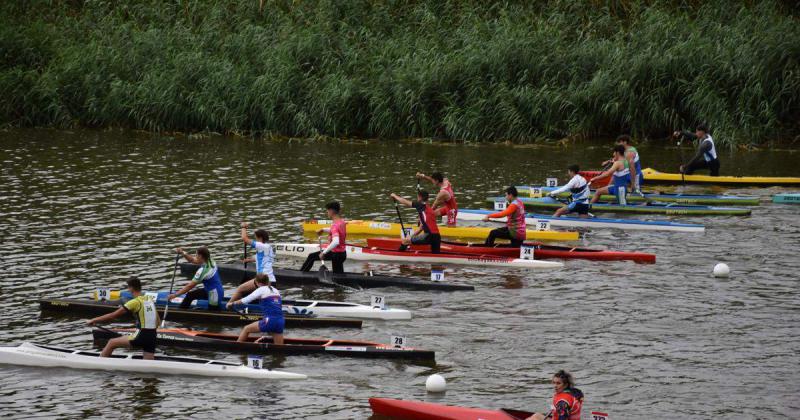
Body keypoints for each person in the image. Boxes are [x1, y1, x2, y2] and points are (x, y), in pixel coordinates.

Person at [87, 277, 159, 359]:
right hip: (153, 336)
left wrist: (93, 320)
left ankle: (98, 363)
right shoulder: (149, 299)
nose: (128, 289)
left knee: (112, 342)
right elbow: (157, 320)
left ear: (131, 288)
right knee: (148, 364)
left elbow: (112, 315)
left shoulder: (134, 302)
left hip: (141, 336)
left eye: (128, 287)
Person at [226, 274, 284, 344]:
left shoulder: (261, 289)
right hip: (280, 321)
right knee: (279, 349)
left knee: (246, 329)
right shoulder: (275, 290)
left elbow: (245, 300)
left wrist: (232, 303)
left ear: (258, 283)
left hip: (270, 320)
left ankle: (237, 348)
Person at [229, 222, 276, 304]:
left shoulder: (261, 245)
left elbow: (244, 238)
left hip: (263, 280)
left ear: (260, 238)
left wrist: (243, 227)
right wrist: (249, 260)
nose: (255, 239)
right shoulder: (268, 247)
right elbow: (262, 259)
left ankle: (228, 306)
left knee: (240, 289)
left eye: (256, 238)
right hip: (271, 280)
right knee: (257, 299)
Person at [300, 201, 347, 273]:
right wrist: (323, 229)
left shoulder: (335, 225)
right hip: (342, 253)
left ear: (331, 211)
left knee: (311, 257)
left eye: (327, 211)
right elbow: (336, 232)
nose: (327, 213)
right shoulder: (341, 222)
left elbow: (336, 242)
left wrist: (324, 253)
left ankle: (301, 274)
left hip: (336, 254)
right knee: (338, 274)